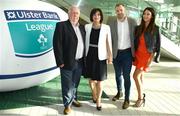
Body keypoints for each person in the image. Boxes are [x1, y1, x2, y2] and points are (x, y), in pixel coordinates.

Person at [53, 6, 85, 115]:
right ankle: (67, 105)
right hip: (66, 62)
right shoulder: (61, 26)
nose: (75, 15)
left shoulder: (82, 27)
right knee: (67, 85)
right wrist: (59, 61)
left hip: (79, 61)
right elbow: (57, 45)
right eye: (73, 13)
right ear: (69, 13)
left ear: (79, 15)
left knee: (75, 83)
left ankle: (74, 99)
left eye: (77, 13)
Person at [107, 3, 137, 109]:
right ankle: (119, 92)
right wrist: (108, 54)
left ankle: (127, 99)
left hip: (128, 53)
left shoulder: (132, 21)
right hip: (116, 53)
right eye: (117, 11)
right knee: (117, 75)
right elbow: (108, 38)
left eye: (121, 10)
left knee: (126, 76)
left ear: (125, 10)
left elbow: (136, 38)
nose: (119, 12)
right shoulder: (111, 21)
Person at [85, 8, 112, 111]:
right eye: (94, 15)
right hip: (90, 54)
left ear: (101, 17)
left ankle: (99, 100)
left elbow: (108, 42)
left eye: (98, 15)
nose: (96, 17)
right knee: (92, 79)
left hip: (101, 56)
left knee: (100, 80)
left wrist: (110, 56)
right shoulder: (87, 27)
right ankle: (94, 93)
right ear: (92, 16)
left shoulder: (106, 27)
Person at [133, 7, 161, 107]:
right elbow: (135, 42)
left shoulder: (156, 29)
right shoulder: (138, 27)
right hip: (138, 55)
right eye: (144, 13)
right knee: (140, 76)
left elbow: (157, 46)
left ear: (152, 16)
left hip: (147, 56)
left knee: (135, 76)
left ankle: (141, 98)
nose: (145, 15)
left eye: (148, 14)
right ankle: (141, 94)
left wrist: (151, 60)